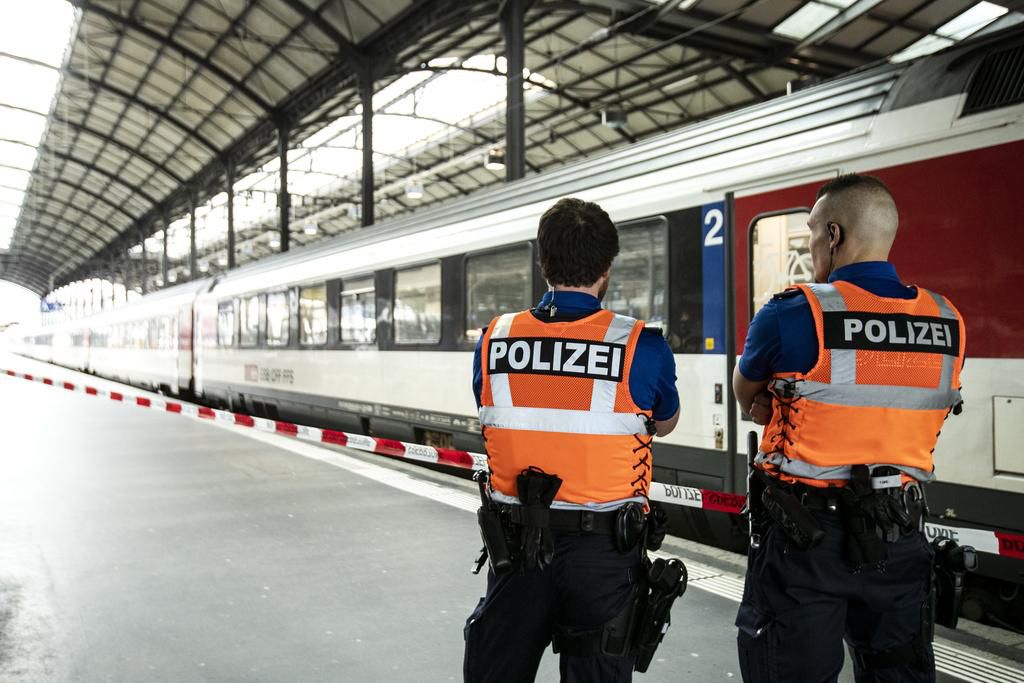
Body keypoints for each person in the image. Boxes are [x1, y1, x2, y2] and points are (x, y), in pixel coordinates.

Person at [733, 174, 966, 682]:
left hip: (805, 540)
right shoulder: (946, 321)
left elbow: (745, 393)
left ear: (833, 235)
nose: (812, 244)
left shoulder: (795, 311)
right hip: (899, 534)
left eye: (813, 233)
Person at [463, 197, 681, 683]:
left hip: (517, 547)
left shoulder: (495, 338)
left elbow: (488, 408)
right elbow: (663, 422)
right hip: (604, 555)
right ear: (607, 267)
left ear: (543, 263)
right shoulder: (641, 345)